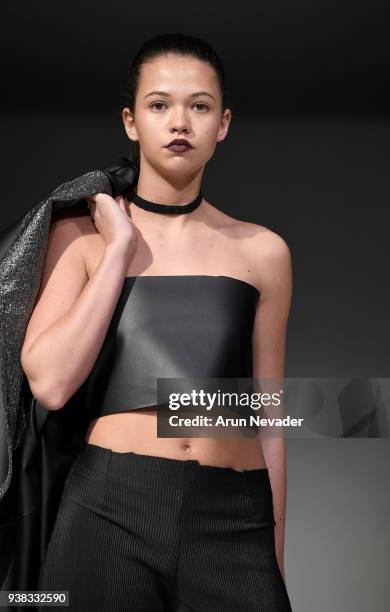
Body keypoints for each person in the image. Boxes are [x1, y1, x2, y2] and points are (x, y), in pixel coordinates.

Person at [20, 32, 293, 611]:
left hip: (233, 516)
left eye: (199, 106)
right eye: (159, 104)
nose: (180, 122)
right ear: (130, 121)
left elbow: (266, 417)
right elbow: (49, 382)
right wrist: (118, 249)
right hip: (110, 509)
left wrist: (274, 550)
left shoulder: (263, 252)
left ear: (222, 124)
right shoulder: (83, 239)